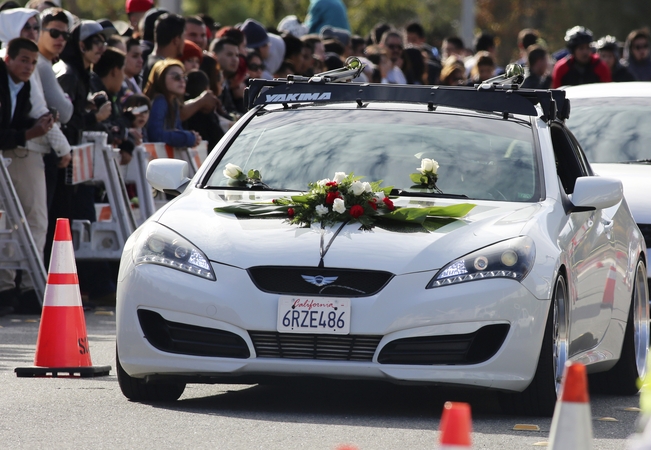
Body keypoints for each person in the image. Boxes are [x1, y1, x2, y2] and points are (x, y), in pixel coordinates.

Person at [0, 38, 53, 316]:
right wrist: (29, 134)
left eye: (33, 62)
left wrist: (39, 125)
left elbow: (11, 123)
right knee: (10, 223)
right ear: (7, 58)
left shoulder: (23, 85)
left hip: (11, 155)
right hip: (11, 154)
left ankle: (18, 289)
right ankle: (8, 288)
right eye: (23, 60)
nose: (29, 67)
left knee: (22, 221)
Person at [145, 58, 200, 148]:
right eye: (176, 77)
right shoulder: (160, 100)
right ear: (161, 77)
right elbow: (155, 135)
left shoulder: (173, 102)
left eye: (184, 77)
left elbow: (177, 129)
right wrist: (188, 138)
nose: (182, 81)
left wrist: (191, 136)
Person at [142, 13, 185, 83]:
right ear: (176, 40)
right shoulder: (161, 69)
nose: (184, 42)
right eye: (184, 37)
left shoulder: (147, 61)